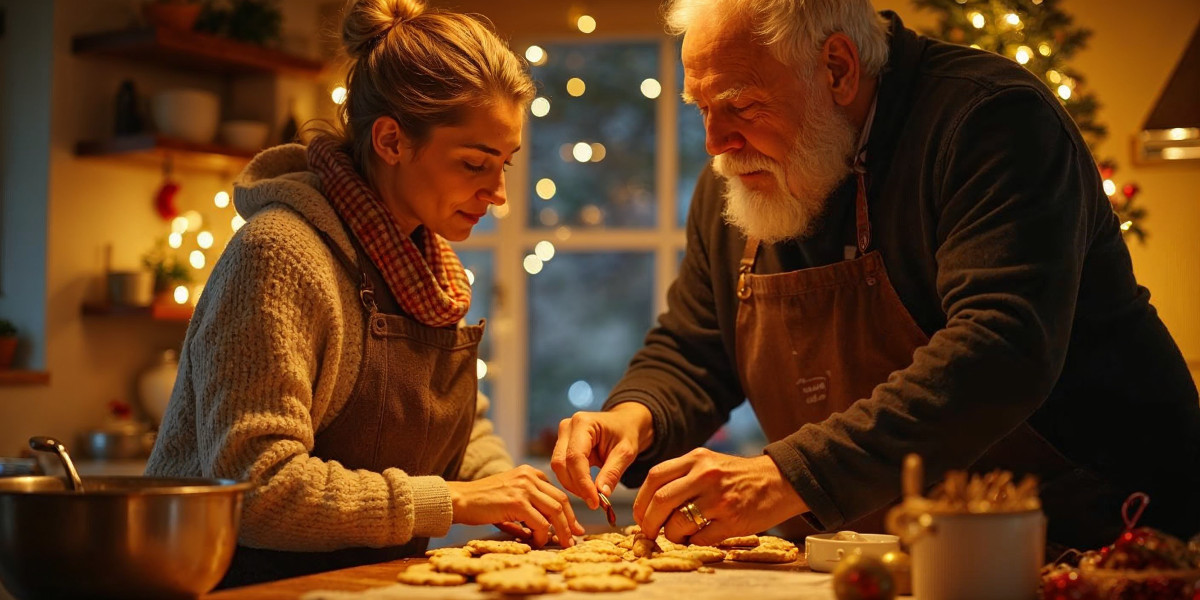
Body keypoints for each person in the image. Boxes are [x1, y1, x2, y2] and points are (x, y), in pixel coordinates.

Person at [552, 0, 1200, 552]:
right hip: (889, 547)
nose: (715, 143)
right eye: (701, 109)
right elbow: (696, 346)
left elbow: (1003, 347)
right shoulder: (744, 176)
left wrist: (788, 477)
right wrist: (637, 415)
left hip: (1099, 533)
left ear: (837, 68)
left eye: (740, 105)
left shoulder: (990, 120)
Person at [146, 0, 581, 587]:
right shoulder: (280, 255)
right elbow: (255, 490)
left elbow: (454, 426)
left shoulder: (428, 266)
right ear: (391, 140)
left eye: (504, 163)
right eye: (475, 163)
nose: (498, 193)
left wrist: (510, 492)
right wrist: (456, 501)